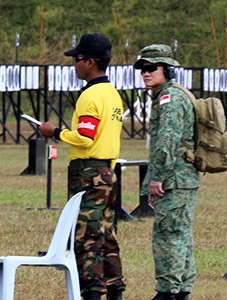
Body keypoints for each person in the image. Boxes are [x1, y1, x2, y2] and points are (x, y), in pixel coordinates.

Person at [39, 33, 126, 300]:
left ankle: (91, 292)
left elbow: (85, 137)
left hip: (88, 173)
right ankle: (115, 288)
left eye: (77, 59)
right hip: (107, 172)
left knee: (85, 237)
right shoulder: (112, 94)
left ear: (91, 62)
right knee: (106, 233)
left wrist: (55, 132)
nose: (74, 64)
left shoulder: (90, 96)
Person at [135, 44, 200, 300]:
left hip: (174, 179)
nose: (146, 73)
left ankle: (167, 291)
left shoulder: (170, 98)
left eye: (152, 68)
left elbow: (167, 141)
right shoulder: (173, 94)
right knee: (181, 234)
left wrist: (157, 178)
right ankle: (182, 289)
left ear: (167, 70)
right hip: (183, 179)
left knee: (168, 235)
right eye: (142, 68)